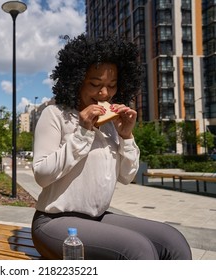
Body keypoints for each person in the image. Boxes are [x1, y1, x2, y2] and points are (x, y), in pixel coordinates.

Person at [31, 34, 192, 260]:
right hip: (54, 221)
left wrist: (126, 136)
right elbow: (41, 176)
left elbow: (127, 177)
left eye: (112, 85)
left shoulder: (110, 126)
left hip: (97, 218)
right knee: (137, 249)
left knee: (172, 240)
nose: (104, 94)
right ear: (76, 80)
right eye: (95, 84)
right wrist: (83, 132)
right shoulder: (55, 115)